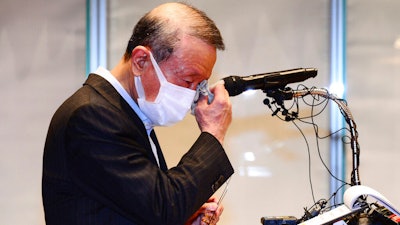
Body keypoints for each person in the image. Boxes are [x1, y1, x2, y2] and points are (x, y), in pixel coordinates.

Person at [42, 2, 234, 225]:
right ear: (141, 61)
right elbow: (163, 208)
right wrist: (213, 134)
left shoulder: (129, 115)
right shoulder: (93, 115)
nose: (192, 94)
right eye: (188, 80)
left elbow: (141, 209)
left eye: (200, 84)